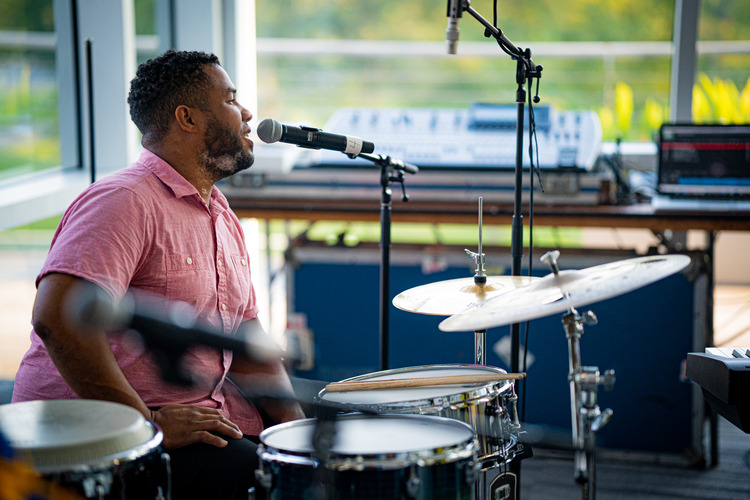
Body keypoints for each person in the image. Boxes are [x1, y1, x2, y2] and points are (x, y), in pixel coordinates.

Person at [12, 49, 305, 499]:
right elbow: (58, 318)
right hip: (100, 443)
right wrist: (146, 426)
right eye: (231, 100)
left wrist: (298, 436)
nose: (247, 113)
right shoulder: (122, 200)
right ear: (187, 118)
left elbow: (249, 342)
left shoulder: (220, 213)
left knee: (307, 469)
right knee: (268, 483)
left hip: (198, 421)